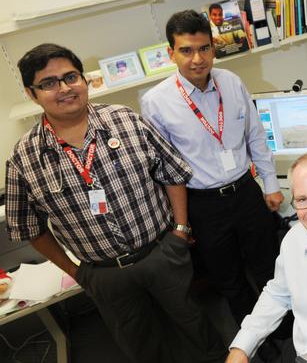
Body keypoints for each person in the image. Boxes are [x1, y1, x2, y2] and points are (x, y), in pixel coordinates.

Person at [6, 43, 228, 363]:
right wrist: (77, 272)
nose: (65, 88)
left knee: (195, 323)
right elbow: (30, 228)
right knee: (139, 343)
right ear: (31, 93)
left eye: (71, 77)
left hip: (161, 254)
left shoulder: (126, 121)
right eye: (49, 83)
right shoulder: (23, 159)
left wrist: (179, 231)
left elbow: (172, 172)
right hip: (104, 274)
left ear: (84, 80)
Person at [140, 10, 284, 326]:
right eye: (186, 50)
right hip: (203, 205)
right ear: (171, 53)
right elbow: (164, 168)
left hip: (246, 191)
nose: (197, 59)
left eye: (204, 48)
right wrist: (180, 222)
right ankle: (255, 338)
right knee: (228, 277)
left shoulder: (231, 82)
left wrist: (271, 183)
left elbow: (255, 134)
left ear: (213, 47)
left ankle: (283, 328)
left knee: (268, 266)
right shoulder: (156, 102)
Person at [226, 151, 307, 363]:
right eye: (302, 200)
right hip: (300, 355)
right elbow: (277, 294)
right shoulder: (294, 238)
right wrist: (241, 347)